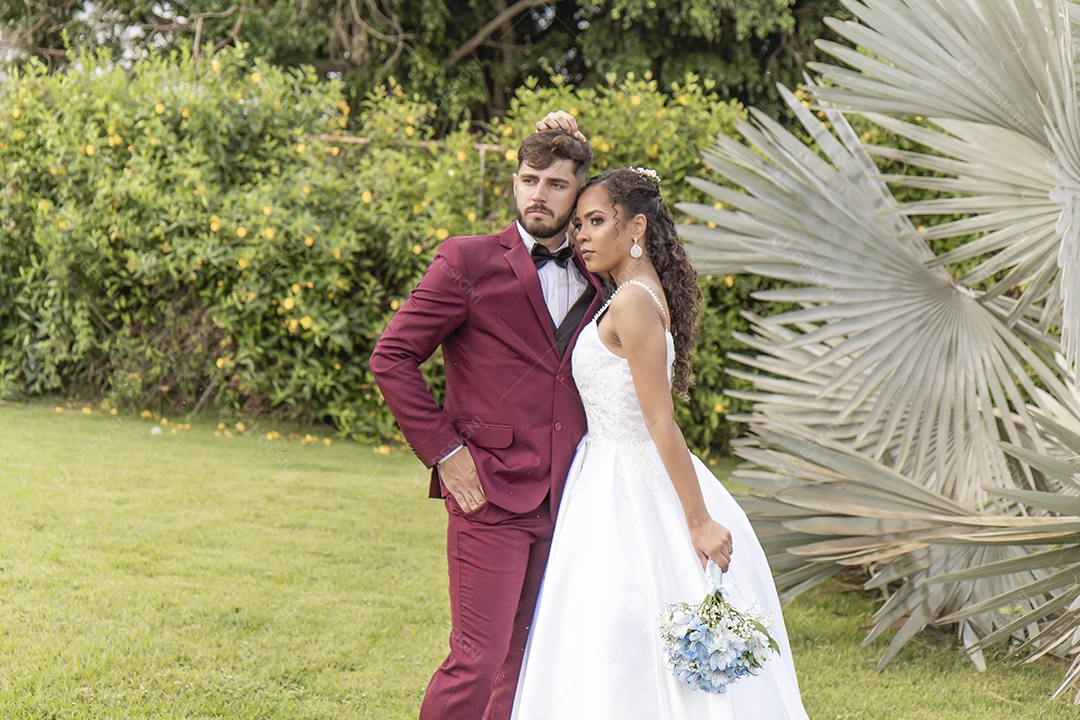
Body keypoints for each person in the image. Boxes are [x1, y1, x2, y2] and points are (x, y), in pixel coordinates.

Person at [508, 161, 810, 719]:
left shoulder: (631, 303)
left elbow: (660, 422)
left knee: (619, 627)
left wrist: (698, 521)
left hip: (628, 485)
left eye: (596, 221)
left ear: (637, 228)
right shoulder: (631, 294)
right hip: (601, 475)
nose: (581, 235)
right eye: (579, 224)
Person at [369, 125, 601, 719]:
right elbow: (392, 357)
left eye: (556, 184)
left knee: (526, 657)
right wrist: (446, 454)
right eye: (529, 181)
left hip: (573, 494)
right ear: (514, 183)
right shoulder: (466, 260)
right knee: (478, 654)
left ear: (580, 194)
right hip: (489, 490)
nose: (539, 195)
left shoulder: (601, 272)